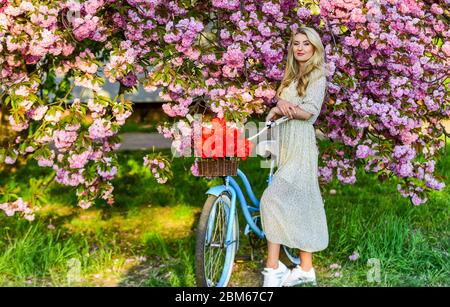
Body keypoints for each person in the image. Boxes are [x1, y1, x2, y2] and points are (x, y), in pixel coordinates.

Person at [260, 26, 329, 287]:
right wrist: (278, 108)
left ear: (314, 48)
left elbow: (310, 112)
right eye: (296, 43)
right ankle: (305, 269)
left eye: (306, 44)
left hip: (300, 143)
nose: (300, 48)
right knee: (300, 203)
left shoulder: (317, 75)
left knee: (271, 199)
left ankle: (273, 267)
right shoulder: (291, 74)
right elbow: (280, 105)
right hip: (284, 142)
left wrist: (285, 108)